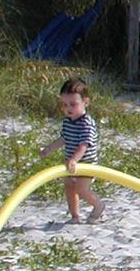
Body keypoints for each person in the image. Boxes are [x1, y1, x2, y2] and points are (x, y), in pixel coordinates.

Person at [41, 77, 104, 224]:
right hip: (71, 162)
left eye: (73, 104)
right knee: (69, 187)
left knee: (81, 189)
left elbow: (84, 144)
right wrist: (49, 148)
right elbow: (64, 138)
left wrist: (74, 159)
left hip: (86, 163)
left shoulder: (86, 123)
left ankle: (98, 205)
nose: (68, 108)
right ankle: (75, 216)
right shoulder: (67, 121)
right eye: (64, 104)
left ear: (85, 102)